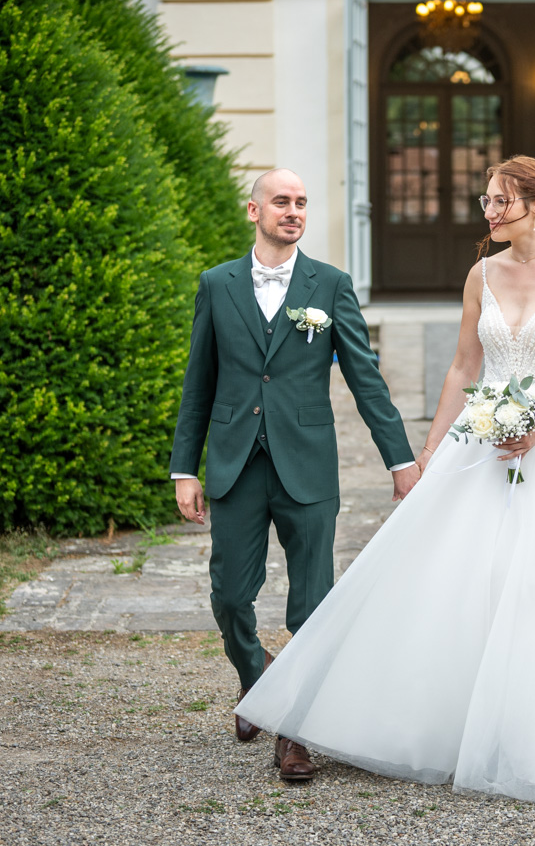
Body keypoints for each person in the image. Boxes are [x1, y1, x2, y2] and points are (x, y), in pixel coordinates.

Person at [236, 155, 535, 802]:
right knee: (460, 576)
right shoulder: (481, 273)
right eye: (486, 201)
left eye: (501, 202)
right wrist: (429, 454)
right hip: (480, 439)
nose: (490, 213)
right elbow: (462, 368)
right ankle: (450, 718)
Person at [169, 168, 420, 779]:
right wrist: (183, 468)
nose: (294, 211)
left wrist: (400, 460)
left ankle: (296, 734)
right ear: (253, 210)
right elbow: (199, 382)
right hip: (235, 464)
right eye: (281, 201)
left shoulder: (329, 284)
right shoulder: (217, 284)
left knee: (312, 606)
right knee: (230, 596)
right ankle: (257, 678)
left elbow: (364, 378)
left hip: (307, 465)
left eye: (302, 202)